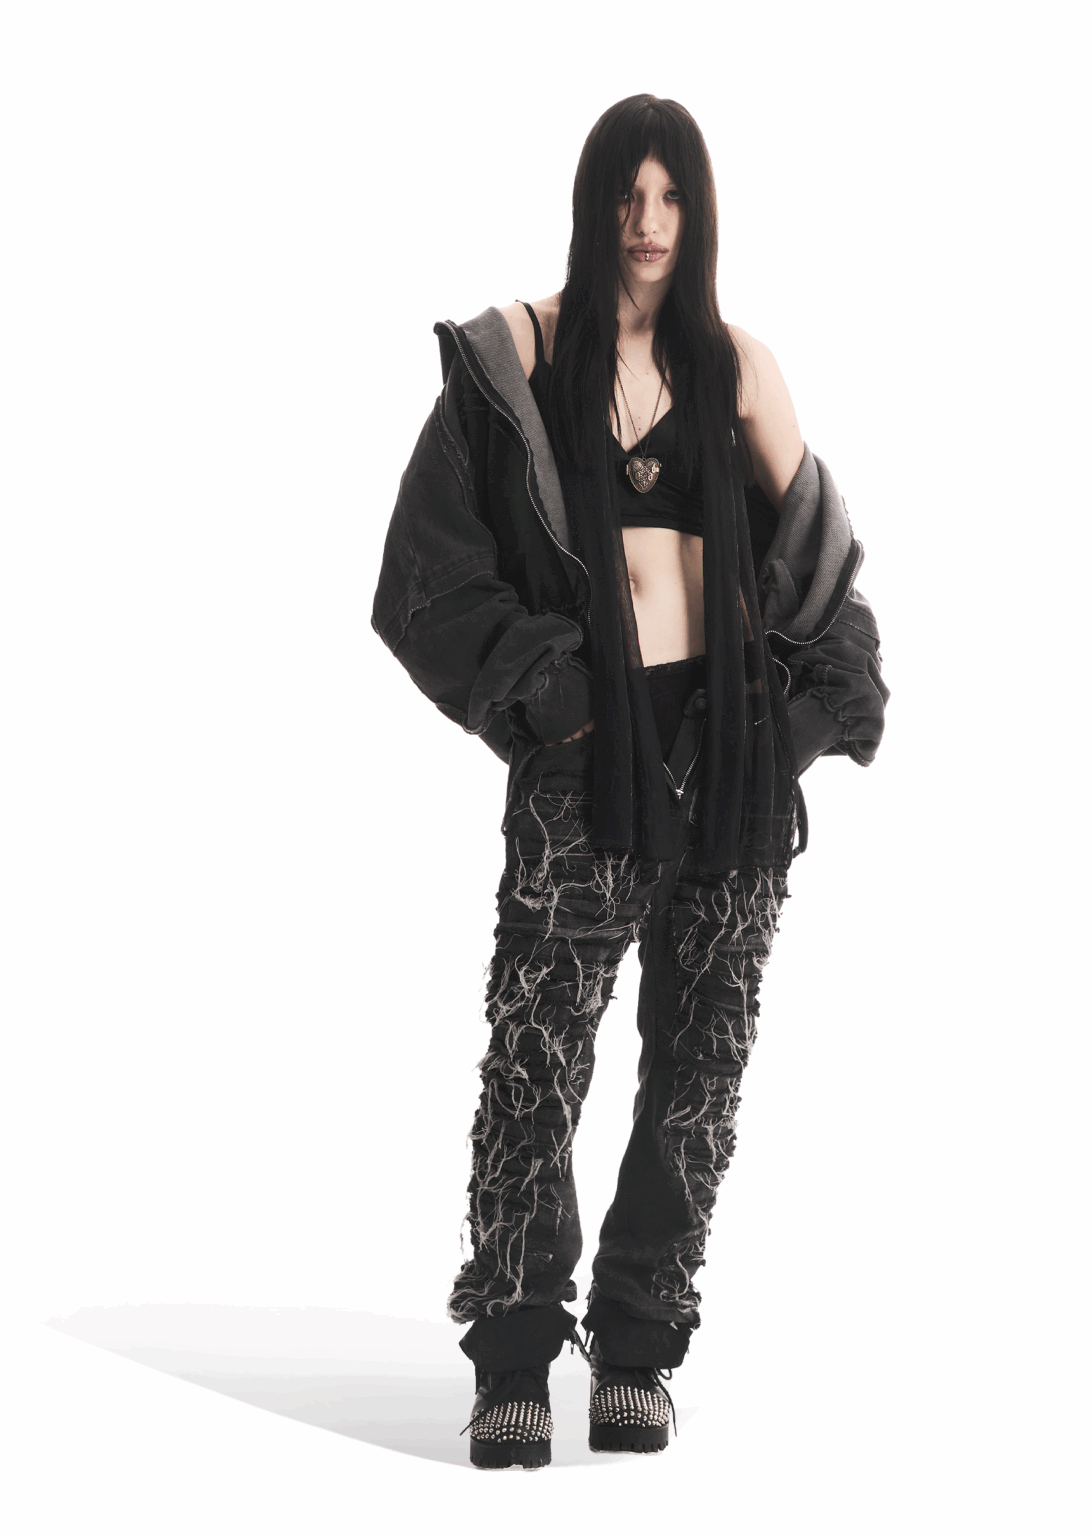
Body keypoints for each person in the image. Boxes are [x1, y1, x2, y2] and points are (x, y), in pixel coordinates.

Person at [371, 94, 888, 1468]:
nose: (648, 221)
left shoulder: (739, 367)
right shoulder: (521, 361)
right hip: (589, 762)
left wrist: (797, 726)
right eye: (626, 192)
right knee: (536, 1058)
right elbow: (422, 575)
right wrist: (555, 700)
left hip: (727, 763)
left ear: (697, 211)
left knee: (699, 1075)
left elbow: (824, 565)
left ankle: (641, 1348)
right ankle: (514, 1353)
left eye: (671, 196)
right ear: (593, 203)